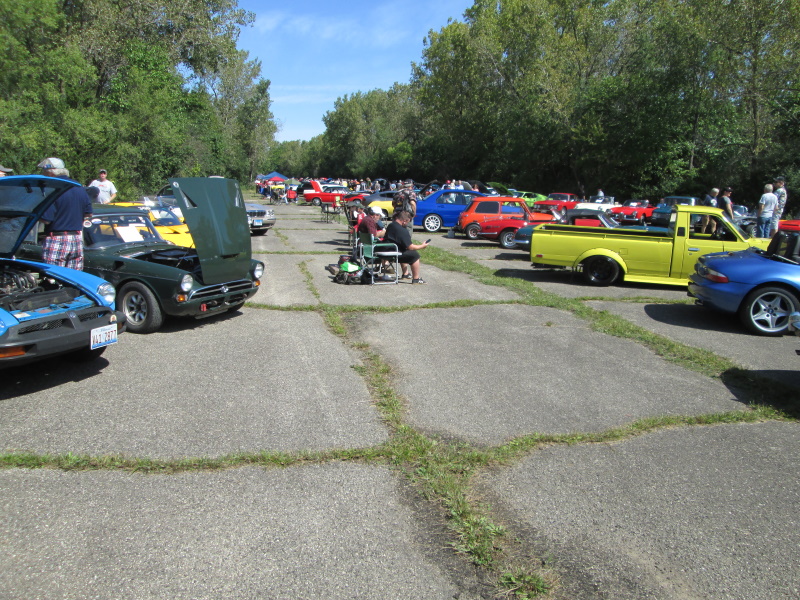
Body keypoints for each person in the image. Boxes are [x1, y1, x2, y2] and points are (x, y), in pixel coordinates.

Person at [37, 157, 92, 270]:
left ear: (50, 172)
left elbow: (46, 219)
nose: (42, 174)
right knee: (73, 277)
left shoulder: (54, 188)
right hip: (76, 239)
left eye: (43, 171)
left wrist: (35, 214)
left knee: (53, 275)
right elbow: (88, 214)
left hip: (57, 238)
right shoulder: (79, 187)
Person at [383, 210, 430, 284]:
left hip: (386, 250)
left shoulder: (391, 225)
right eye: (408, 222)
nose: (408, 224)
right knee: (414, 255)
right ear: (404, 221)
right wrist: (422, 246)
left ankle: (405, 274)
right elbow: (410, 247)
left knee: (404, 250)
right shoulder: (402, 230)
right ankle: (416, 279)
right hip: (392, 253)